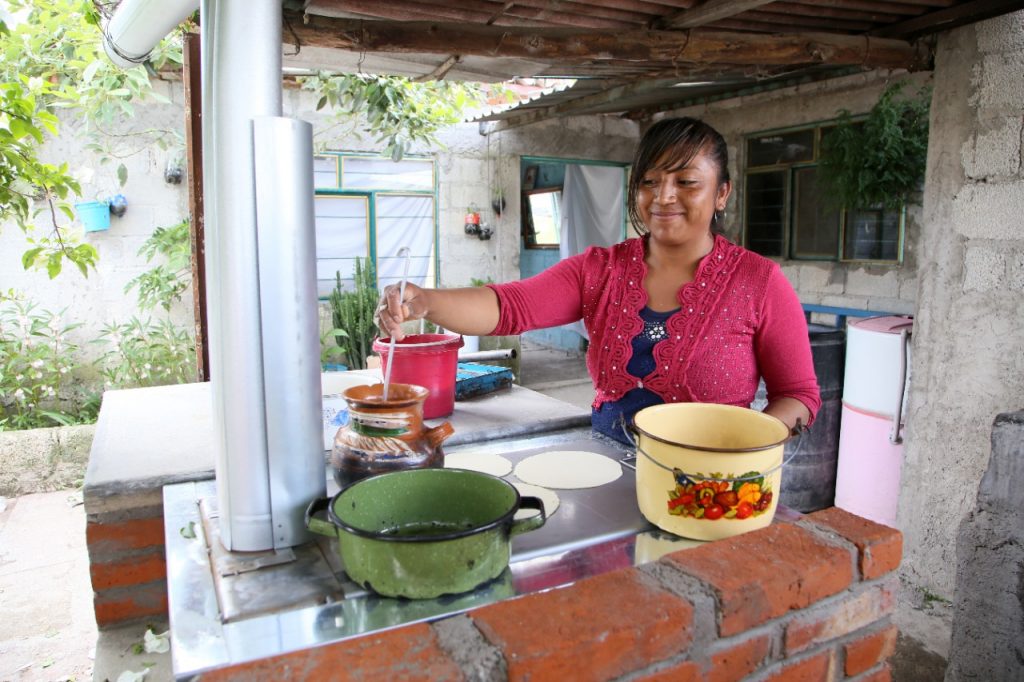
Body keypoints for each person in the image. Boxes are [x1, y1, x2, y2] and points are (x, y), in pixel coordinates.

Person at [375, 117, 820, 443]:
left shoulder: (758, 282)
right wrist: (425, 300)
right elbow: (510, 307)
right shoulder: (601, 270)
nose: (664, 197)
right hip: (606, 475)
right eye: (649, 182)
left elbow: (798, 395)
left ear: (722, 192)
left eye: (686, 182)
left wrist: (750, 444)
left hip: (713, 489)